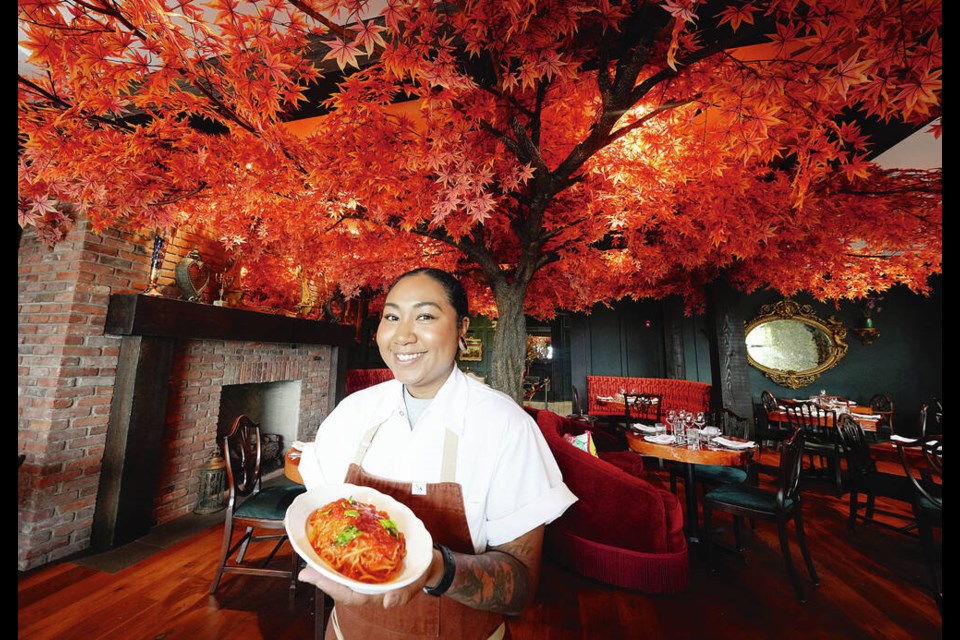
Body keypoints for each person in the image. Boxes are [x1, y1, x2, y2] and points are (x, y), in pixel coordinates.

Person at [296, 267, 577, 640]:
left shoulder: (504, 425)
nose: (403, 335)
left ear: (462, 329)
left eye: (425, 316)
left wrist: (432, 570)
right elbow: (319, 514)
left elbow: (519, 587)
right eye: (392, 317)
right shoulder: (352, 412)